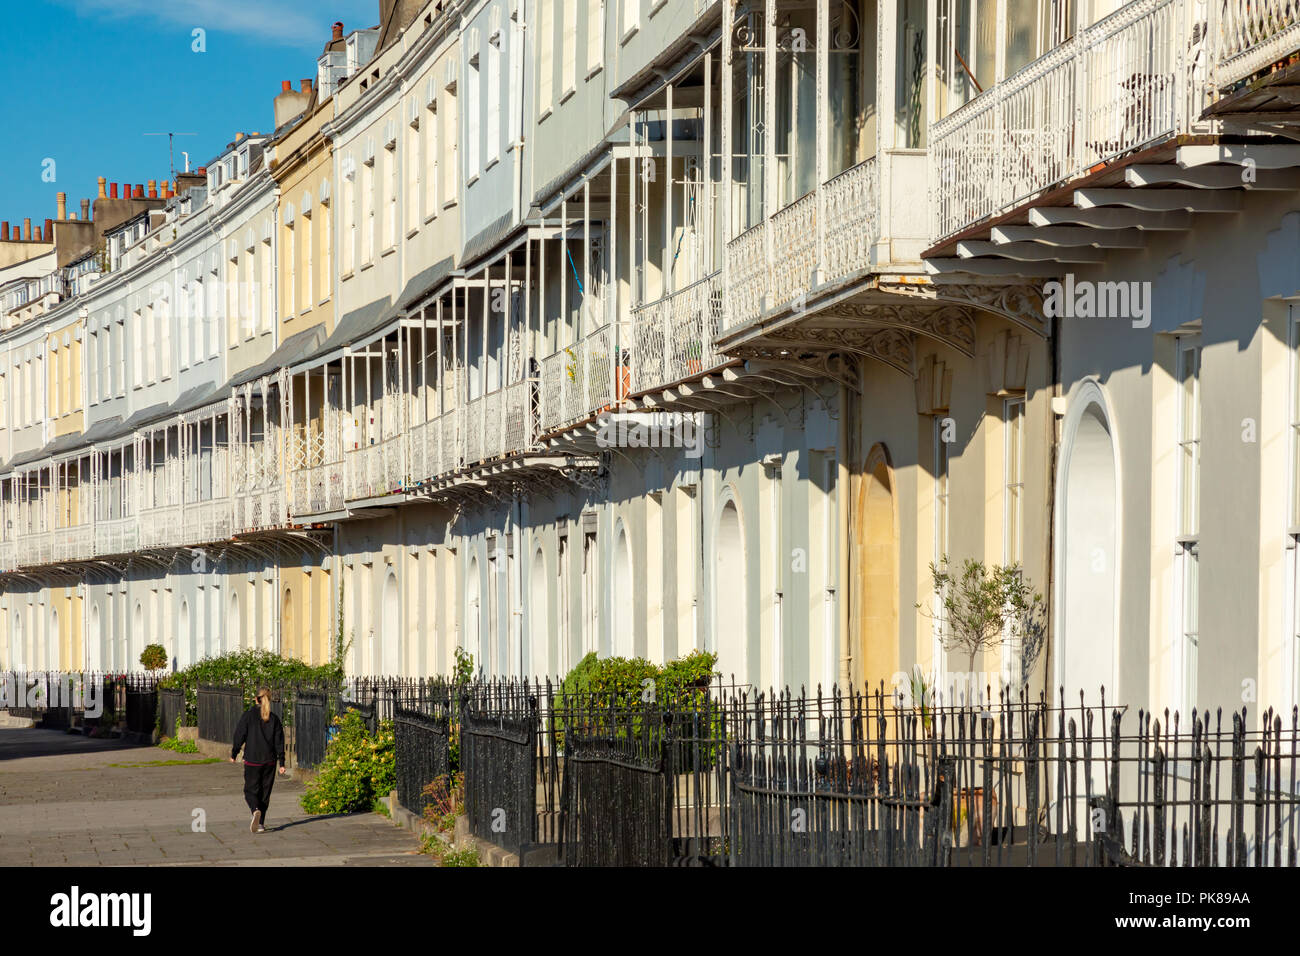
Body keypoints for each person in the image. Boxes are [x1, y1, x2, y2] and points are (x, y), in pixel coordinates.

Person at [229, 686, 286, 832]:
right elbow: (279, 742)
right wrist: (282, 762)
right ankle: (260, 823)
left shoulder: (248, 716)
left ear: (256, 699)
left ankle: (255, 810)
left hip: (252, 760)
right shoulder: (274, 719)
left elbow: (239, 735)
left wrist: (234, 754)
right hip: (270, 761)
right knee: (265, 793)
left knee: (250, 790)